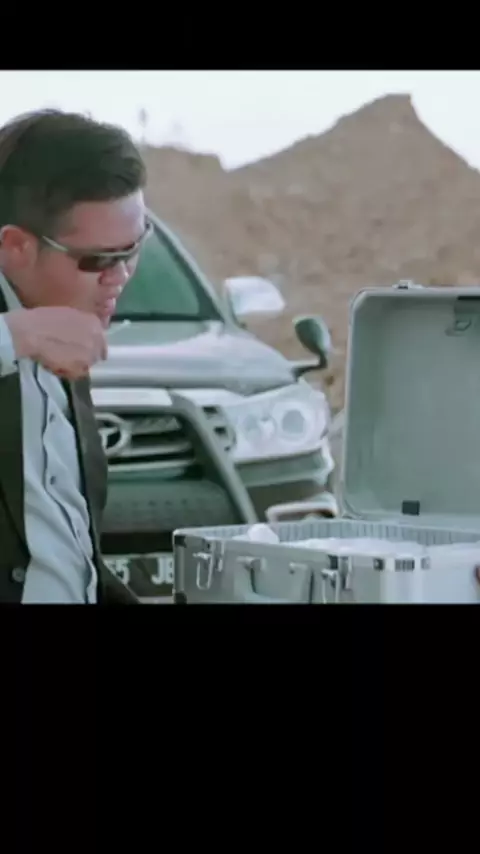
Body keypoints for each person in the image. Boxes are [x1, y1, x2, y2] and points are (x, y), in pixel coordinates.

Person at [0, 108, 150, 603]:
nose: (120, 276)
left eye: (133, 249)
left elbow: (68, 553)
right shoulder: (25, 332)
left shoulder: (66, 321)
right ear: (16, 247)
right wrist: (13, 337)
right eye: (99, 259)